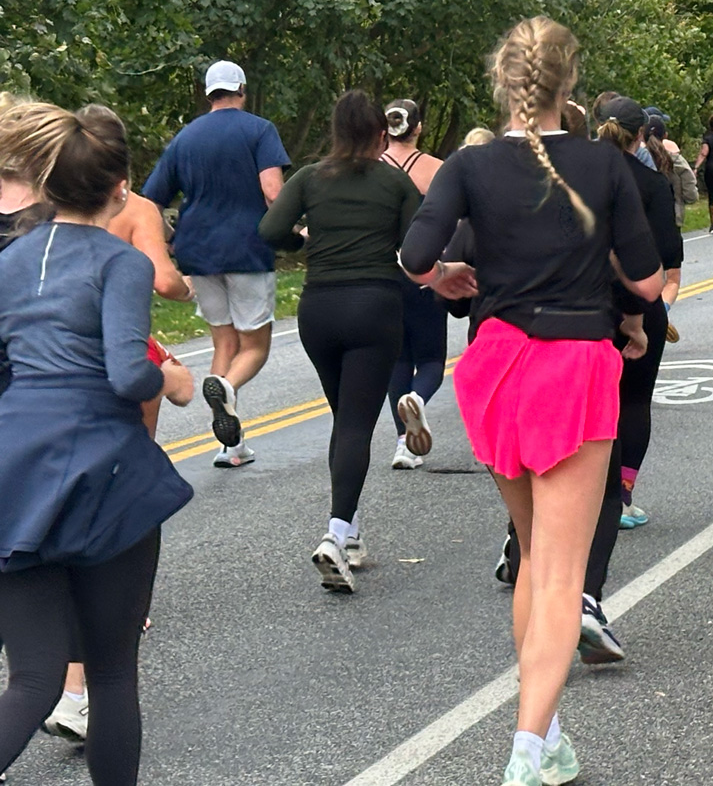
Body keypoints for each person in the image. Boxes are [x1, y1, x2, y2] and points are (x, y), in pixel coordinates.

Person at [399, 17, 662, 786]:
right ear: (569, 84)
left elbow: (415, 257)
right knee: (559, 573)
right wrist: (599, 245)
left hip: (495, 367)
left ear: (503, 81)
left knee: (531, 556)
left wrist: (445, 274)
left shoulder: (468, 166)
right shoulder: (603, 165)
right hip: (574, 366)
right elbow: (644, 282)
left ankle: (547, 739)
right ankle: (521, 750)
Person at [0, 102, 195, 786]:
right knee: (111, 671)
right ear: (121, 188)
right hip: (101, 472)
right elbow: (123, 371)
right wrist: (170, 377)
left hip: (14, 471)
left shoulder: (12, 259)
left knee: (33, 675)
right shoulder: (122, 262)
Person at [258, 92, 421, 592]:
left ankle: (349, 531)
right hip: (374, 306)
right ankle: (334, 533)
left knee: (344, 420)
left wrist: (302, 243)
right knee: (355, 424)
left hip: (319, 309)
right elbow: (417, 246)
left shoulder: (309, 177)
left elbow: (270, 229)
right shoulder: (395, 181)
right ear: (380, 135)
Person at [142, 60, 289, 468]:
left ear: (208, 93)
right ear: (241, 89)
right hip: (247, 247)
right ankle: (225, 385)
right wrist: (294, 231)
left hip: (199, 251)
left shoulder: (184, 139)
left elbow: (150, 200)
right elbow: (273, 192)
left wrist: (169, 239)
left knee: (225, 342)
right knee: (255, 347)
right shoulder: (259, 129)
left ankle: (231, 445)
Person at [578, 96, 682, 661]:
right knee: (632, 405)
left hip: (576, 310)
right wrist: (644, 315)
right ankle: (621, 490)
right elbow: (664, 258)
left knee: (580, 418)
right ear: (644, 135)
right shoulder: (648, 184)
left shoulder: (575, 176)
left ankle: (527, 533)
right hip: (632, 310)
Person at [380, 100, 447, 471]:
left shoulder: (371, 170)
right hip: (424, 271)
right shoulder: (437, 170)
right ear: (418, 128)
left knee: (398, 359)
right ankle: (419, 399)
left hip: (382, 275)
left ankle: (403, 444)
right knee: (432, 358)